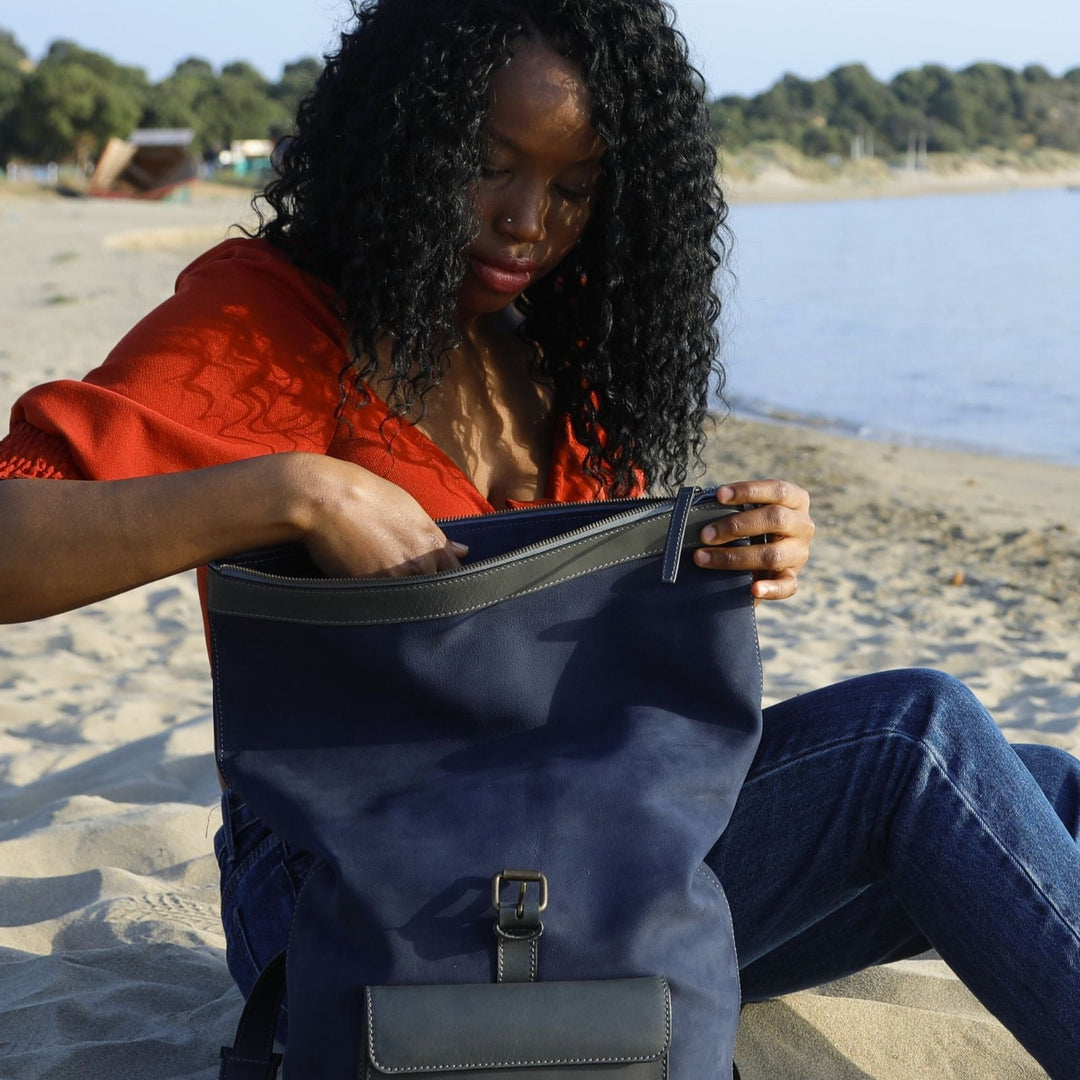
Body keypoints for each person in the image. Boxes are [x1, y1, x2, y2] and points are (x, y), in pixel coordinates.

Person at [0, 1, 1077, 1076]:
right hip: (360, 884)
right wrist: (298, 490)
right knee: (914, 737)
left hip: (580, 836)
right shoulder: (275, 324)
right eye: (487, 163)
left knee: (1038, 786)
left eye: (574, 188)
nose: (527, 220)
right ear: (401, 135)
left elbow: (579, 651)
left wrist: (731, 556)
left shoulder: (559, 353)